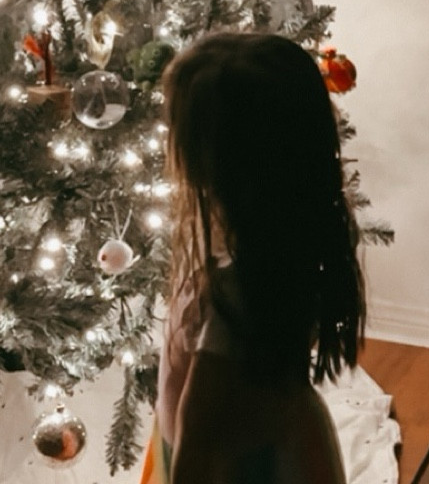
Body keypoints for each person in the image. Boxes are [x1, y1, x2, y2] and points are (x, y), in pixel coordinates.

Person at [142, 31, 366, 484]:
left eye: (180, 130)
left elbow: (198, 456)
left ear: (216, 160)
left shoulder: (236, 304)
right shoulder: (276, 245)